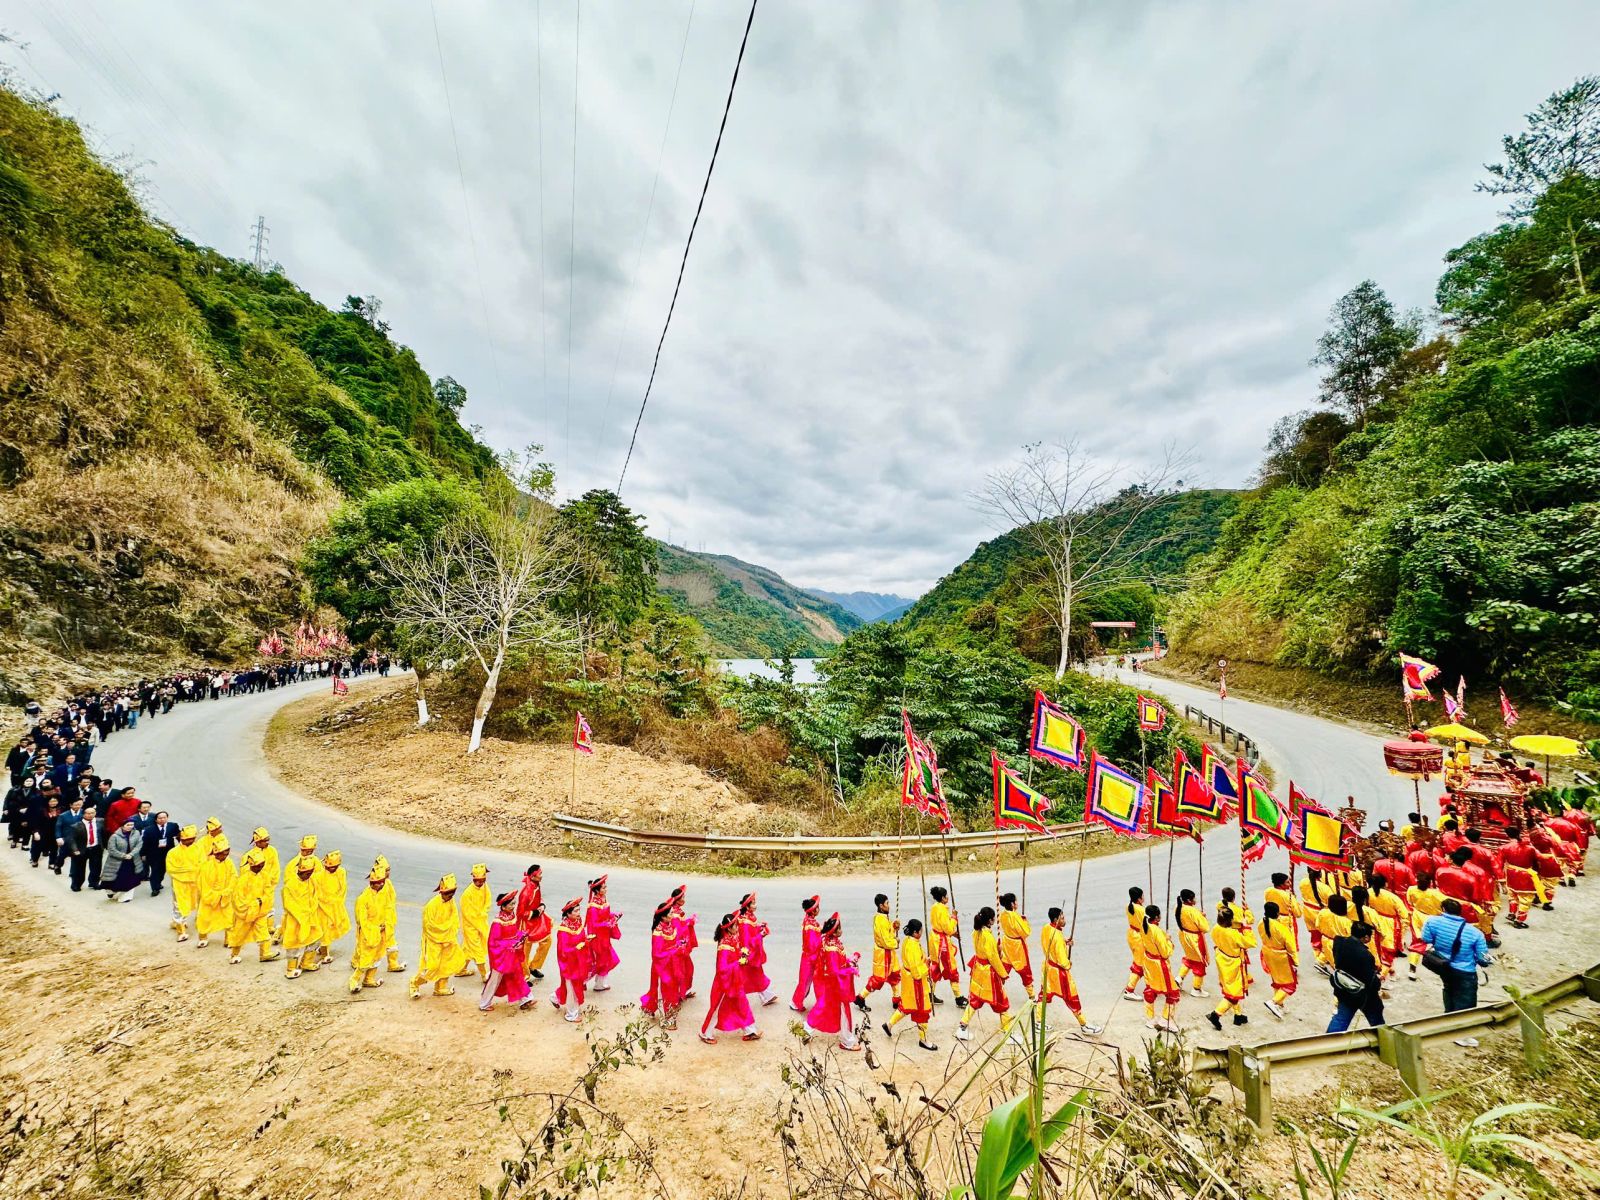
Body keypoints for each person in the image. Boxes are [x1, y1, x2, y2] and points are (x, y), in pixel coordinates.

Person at [1421, 898, 1493, 1042]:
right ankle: (1460, 1034)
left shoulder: (1432, 922)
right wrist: (1488, 961)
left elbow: (1426, 938)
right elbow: (1483, 958)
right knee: (1466, 1001)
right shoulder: (1475, 933)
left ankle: (1449, 1022)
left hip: (1443, 966)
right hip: (1465, 970)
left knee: (1449, 991)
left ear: (1443, 910)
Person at [805, 914, 862, 1051]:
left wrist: (849, 961)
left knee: (822, 1007)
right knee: (843, 1010)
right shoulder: (832, 947)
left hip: (831, 984)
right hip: (836, 984)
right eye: (840, 928)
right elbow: (834, 970)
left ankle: (806, 1029)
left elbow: (838, 964)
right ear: (835, 931)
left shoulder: (831, 942)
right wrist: (851, 970)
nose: (841, 930)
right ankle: (847, 1041)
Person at [1040, 907, 1099, 1036]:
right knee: (1072, 997)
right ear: (1056, 920)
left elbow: (1049, 941)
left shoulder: (1046, 928)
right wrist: (1068, 964)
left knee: (1044, 995)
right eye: (1062, 918)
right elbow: (1062, 960)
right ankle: (1084, 1024)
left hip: (1048, 967)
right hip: (1058, 972)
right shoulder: (1057, 937)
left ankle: (1038, 1022)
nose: (1064, 920)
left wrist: (1065, 941)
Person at [701, 913, 759, 1044]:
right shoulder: (724, 945)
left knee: (741, 1004)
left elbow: (739, 952)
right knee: (716, 1008)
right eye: (735, 925)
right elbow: (722, 968)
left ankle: (750, 1031)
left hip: (734, 979)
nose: (738, 927)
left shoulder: (733, 938)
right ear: (728, 928)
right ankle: (705, 1033)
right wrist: (739, 961)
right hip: (724, 982)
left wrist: (743, 954)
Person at [958, 906, 1013, 1041]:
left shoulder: (976, 932)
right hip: (988, 973)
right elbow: (993, 958)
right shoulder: (988, 936)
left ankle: (962, 1028)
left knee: (974, 1000)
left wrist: (996, 948)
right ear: (990, 920)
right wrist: (1003, 974)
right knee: (1001, 1002)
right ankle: (1008, 1033)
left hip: (978, 970)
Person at [410, 874, 469, 1000]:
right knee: (432, 966)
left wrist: (450, 936)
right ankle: (414, 984)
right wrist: (443, 936)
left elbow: (454, 920)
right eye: (448, 893)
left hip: (448, 940)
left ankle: (440, 987)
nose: (450, 896)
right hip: (433, 941)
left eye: (452, 893)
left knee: (447, 964)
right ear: (442, 891)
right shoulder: (431, 905)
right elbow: (429, 927)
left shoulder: (451, 902)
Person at [883, 918, 937, 1050]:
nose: (922, 932)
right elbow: (917, 971)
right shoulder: (912, 946)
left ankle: (889, 1024)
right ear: (916, 932)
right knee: (922, 1010)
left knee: (907, 1005)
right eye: (921, 930)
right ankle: (923, 1040)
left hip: (908, 980)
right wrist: (927, 966)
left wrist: (925, 960)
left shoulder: (908, 941)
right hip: (915, 982)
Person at [480, 892, 537, 1012]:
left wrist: (520, 937)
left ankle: (526, 999)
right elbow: (493, 942)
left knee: (518, 975)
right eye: (511, 904)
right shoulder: (497, 922)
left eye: (514, 903)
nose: (513, 906)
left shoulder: (512, 916)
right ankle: (484, 1003)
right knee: (495, 979)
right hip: (501, 955)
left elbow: (514, 933)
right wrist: (510, 945)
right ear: (503, 906)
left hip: (511, 953)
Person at [1326, 922, 1385, 1032]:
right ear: (1366, 937)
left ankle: (1329, 1043)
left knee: (1341, 1018)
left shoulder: (1339, 942)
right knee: (1376, 1019)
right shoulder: (1365, 955)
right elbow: (1371, 983)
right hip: (1362, 995)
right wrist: (1377, 979)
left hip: (1343, 987)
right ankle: (1384, 1042)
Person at [1206, 907, 1256, 1030]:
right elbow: (1251, 943)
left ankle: (1238, 1015)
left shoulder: (1215, 928)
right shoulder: (1233, 933)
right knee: (1234, 993)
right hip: (1233, 962)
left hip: (1222, 958)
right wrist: (1246, 928)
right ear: (1231, 920)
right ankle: (1216, 1014)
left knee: (1231, 988)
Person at [227, 848, 279, 965]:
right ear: (251, 865)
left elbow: (268, 892)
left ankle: (265, 953)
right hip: (246, 913)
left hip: (260, 911)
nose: (260, 867)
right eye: (258, 865)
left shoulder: (265, 876)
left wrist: (260, 903)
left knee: (263, 932)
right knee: (240, 933)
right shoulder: (243, 880)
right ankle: (234, 954)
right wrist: (251, 907)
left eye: (262, 864)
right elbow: (238, 899)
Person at [279, 853, 323, 978]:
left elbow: (315, 896)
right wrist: (302, 915)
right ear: (299, 871)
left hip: (310, 917)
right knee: (294, 944)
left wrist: (311, 910)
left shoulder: (311, 881)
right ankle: (290, 969)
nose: (308, 875)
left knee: (316, 938)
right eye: (306, 873)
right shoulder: (290, 885)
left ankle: (306, 963)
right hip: (295, 920)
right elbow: (289, 904)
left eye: (310, 873)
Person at [641, 902, 684, 1029]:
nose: (673, 914)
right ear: (663, 917)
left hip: (672, 964)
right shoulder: (658, 932)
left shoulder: (670, 926)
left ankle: (651, 1008)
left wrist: (680, 946)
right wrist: (674, 951)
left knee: (671, 990)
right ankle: (666, 1019)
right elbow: (656, 954)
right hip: (662, 966)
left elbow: (675, 942)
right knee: (663, 992)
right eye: (670, 913)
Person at [1139, 905, 1180, 1033]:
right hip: (1159, 964)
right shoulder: (1157, 931)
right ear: (1157, 917)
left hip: (1148, 961)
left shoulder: (1143, 926)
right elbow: (1166, 953)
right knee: (1172, 992)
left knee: (1151, 990)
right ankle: (1165, 1019)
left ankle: (1150, 1018)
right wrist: (1168, 940)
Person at [348, 866, 390, 993]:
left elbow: (388, 910)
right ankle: (354, 980)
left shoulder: (383, 894)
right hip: (369, 933)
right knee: (366, 958)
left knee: (377, 956)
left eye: (382, 881)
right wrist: (375, 929)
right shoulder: (363, 899)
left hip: (381, 932)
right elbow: (361, 920)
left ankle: (369, 979)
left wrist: (386, 925)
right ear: (372, 883)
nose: (381, 884)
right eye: (378, 882)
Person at [550, 898, 591, 1023]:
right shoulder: (563, 930)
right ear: (568, 914)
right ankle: (571, 1014)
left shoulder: (578, 923)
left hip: (579, 959)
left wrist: (585, 942)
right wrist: (576, 948)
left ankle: (555, 997)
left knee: (571, 986)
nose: (579, 913)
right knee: (573, 987)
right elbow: (563, 950)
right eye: (576, 911)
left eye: (579, 910)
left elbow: (582, 937)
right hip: (569, 963)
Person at [196, 835, 236, 950]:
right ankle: (203, 937)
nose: (226, 855)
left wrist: (228, 890)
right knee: (204, 918)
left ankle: (229, 939)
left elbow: (234, 876)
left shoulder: (229, 863)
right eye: (224, 853)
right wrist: (214, 895)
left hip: (225, 896)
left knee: (229, 917)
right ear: (216, 853)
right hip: (210, 897)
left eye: (227, 852)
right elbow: (203, 885)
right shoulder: (206, 867)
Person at [1258, 901, 1297, 1019]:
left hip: (1267, 952)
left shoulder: (1261, 923)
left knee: (1277, 980)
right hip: (1280, 956)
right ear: (1277, 913)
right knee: (1290, 985)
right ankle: (1274, 1001)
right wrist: (1295, 961)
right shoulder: (1281, 928)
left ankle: (1280, 1004)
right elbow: (1291, 947)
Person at [737, 892, 777, 1007]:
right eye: (753, 904)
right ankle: (765, 995)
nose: (755, 905)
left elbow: (753, 930)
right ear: (747, 906)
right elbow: (747, 941)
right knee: (755, 975)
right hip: (749, 953)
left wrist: (760, 927)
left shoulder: (750, 917)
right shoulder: (745, 922)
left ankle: (766, 996)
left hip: (752, 952)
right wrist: (761, 935)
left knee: (755, 975)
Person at [928, 886, 965, 1007]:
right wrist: (954, 917)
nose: (948, 898)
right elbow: (948, 928)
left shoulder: (934, 907)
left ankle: (929, 993)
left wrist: (952, 933)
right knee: (951, 968)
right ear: (943, 898)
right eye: (946, 896)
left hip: (934, 939)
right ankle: (958, 997)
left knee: (935, 966)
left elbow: (941, 925)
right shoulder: (943, 909)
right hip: (942, 943)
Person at [165, 824, 203, 941]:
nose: (190, 841)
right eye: (187, 839)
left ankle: (179, 921)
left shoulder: (197, 849)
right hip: (179, 883)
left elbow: (202, 864)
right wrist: (189, 870)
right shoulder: (173, 852)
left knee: (191, 903)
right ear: (181, 839)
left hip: (194, 883)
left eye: (192, 839)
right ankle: (181, 931)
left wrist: (192, 871)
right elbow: (171, 869)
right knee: (179, 905)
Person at [1405, 872, 1446, 980]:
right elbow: (1446, 904)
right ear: (1430, 883)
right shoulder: (1436, 893)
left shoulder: (1411, 889)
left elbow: (1409, 902)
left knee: (1417, 942)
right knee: (1439, 942)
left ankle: (1412, 968)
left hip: (1417, 916)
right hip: (1433, 919)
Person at [515, 865, 552, 980]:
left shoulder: (535, 885)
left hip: (536, 920)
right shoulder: (526, 893)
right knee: (525, 950)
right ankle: (524, 976)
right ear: (533, 876)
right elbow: (520, 913)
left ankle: (533, 966)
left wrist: (541, 905)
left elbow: (538, 899)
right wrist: (535, 913)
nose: (541, 876)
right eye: (540, 874)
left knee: (547, 940)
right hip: (525, 924)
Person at [584, 875, 620, 992]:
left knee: (606, 959)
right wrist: (607, 924)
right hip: (597, 937)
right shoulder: (593, 906)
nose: (606, 889)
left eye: (605, 887)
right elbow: (594, 924)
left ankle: (600, 984)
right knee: (598, 962)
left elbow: (605, 915)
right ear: (597, 890)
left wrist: (614, 915)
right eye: (603, 888)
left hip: (604, 936)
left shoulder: (603, 900)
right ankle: (581, 981)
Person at [997, 892, 1035, 1002]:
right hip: (1017, 947)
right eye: (1015, 901)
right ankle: (1031, 995)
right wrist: (1024, 921)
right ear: (1012, 904)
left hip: (1007, 943)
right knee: (1024, 970)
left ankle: (998, 991)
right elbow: (1026, 932)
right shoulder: (1015, 917)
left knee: (1003, 968)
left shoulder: (1003, 914)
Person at [371, 855, 407, 973]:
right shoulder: (375, 889)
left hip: (388, 921)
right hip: (377, 923)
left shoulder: (388, 884)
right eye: (386, 870)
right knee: (369, 944)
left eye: (388, 870)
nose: (388, 873)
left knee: (391, 943)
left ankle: (392, 964)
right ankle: (357, 962)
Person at [863, 893, 901, 1002]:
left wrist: (893, 926)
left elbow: (888, 932)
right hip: (883, 954)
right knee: (878, 980)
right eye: (887, 903)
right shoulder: (880, 920)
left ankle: (896, 998)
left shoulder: (884, 917)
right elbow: (885, 941)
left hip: (890, 953)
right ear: (881, 906)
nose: (889, 905)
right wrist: (896, 941)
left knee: (895, 975)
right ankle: (861, 997)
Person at [316, 850, 351, 963]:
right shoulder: (318, 876)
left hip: (336, 905)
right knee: (325, 928)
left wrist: (336, 901)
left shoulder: (341, 872)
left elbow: (343, 889)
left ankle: (321, 948)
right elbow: (318, 893)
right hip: (322, 907)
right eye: (329, 867)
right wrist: (327, 902)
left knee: (333, 927)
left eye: (334, 867)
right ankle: (324, 953)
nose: (332, 869)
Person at [99, 816, 145, 902]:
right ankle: (112, 891)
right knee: (113, 879)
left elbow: (139, 845)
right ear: (123, 826)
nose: (130, 826)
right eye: (128, 825)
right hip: (117, 861)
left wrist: (131, 854)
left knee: (130, 879)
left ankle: (126, 897)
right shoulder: (115, 836)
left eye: (132, 825)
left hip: (132, 860)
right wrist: (123, 855)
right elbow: (111, 849)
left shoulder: (136, 833)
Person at [1175, 890, 1211, 998]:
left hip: (1184, 935)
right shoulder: (1193, 911)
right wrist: (1203, 917)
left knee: (1190, 958)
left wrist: (1199, 915)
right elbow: (1205, 928)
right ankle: (1196, 988)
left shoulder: (1178, 907)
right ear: (1189, 900)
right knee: (1200, 961)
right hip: (1195, 938)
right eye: (1194, 898)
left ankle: (1179, 978)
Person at [460, 864, 492, 980]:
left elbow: (488, 901)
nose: (480, 883)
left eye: (482, 880)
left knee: (467, 948)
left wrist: (484, 912)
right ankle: (484, 975)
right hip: (470, 926)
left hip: (481, 923)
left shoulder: (485, 887)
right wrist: (479, 924)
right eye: (478, 881)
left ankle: (461, 969)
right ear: (473, 879)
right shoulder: (467, 894)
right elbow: (468, 915)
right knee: (477, 949)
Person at [791, 895, 823, 1012]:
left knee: (806, 981)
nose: (819, 909)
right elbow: (813, 944)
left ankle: (796, 1001)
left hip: (808, 956)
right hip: (810, 957)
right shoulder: (810, 925)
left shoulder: (809, 920)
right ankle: (796, 1002)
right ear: (813, 911)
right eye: (817, 907)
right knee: (806, 981)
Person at [66, 802, 103, 892]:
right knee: (79, 869)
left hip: (96, 848)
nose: (90, 815)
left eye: (92, 813)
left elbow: (104, 834)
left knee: (96, 867)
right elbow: (71, 839)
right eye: (88, 813)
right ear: (83, 814)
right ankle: (76, 884)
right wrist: (75, 850)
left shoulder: (101, 821)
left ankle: (94, 882)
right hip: (81, 849)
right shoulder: (76, 826)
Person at [1263, 872, 1301, 956]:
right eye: (1287, 882)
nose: (1289, 883)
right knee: (1290, 943)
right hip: (1287, 921)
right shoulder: (1288, 896)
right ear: (1281, 884)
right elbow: (1298, 914)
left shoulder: (1268, 891)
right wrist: (1294, 899)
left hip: (1272, 919)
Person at [144, 809, 179, 896]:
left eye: (164, 817)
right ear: (156, 820)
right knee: (155, 870)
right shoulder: (149, 830)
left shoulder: (173, 826)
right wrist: (143, 854)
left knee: (163, 870)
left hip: (168, 853)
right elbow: (145, 842)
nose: (162, 819)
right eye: (160, 818)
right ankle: (155, 888)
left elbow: (179, 835)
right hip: (154, 854)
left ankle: (158, 882)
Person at [1121, 887, 1147, 1000]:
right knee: (1139, 964)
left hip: (1132, 934)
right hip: (1139, 938)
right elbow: (1148, 925)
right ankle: (1129, 989)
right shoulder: (1142, 910)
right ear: (1140, 898)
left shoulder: (1128, 906)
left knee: (1142, 961)